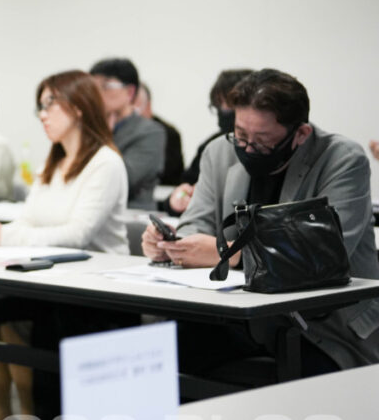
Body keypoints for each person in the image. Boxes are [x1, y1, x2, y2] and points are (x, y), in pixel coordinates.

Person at [142, 68, 379, 374]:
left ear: (301, 134)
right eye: (241, 135)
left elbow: (324, 254)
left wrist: (232, 253)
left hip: (324, 326)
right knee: (161, 356)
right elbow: (194, 225)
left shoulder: (341, 159)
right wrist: (172, 246)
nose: (248, 149)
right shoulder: (219, 152)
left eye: (263, 141)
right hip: (238, 316)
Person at [0, 71, 130, 420]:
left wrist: (4, 236)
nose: (42, 115)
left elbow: (79, 233)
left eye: (49, 105)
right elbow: (29, 219)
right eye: (40, 106)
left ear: (78, 106)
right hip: (51, 277)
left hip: (97, 288)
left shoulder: (105, 162)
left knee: (11, 320)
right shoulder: (53, 161)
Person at [160, 69, 252, 216]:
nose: (224, 111)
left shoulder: (261, 150)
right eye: (218, 105)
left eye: (229, 104)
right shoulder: (211, 147)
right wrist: (174, 201)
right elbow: (185, 188)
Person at [89, 57, 165, 209]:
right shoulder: (88, 128)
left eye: (105, 86)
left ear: (130, 92)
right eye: (92, 87)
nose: (96, 94)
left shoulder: (150, 132)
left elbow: (122, 180)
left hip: (132, 216)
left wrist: (103, 135)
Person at [135, 82, 184, 186]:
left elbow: (169, 173)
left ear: (148, 105)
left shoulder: (169, 134)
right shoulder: (120, 132)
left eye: (136, 104)